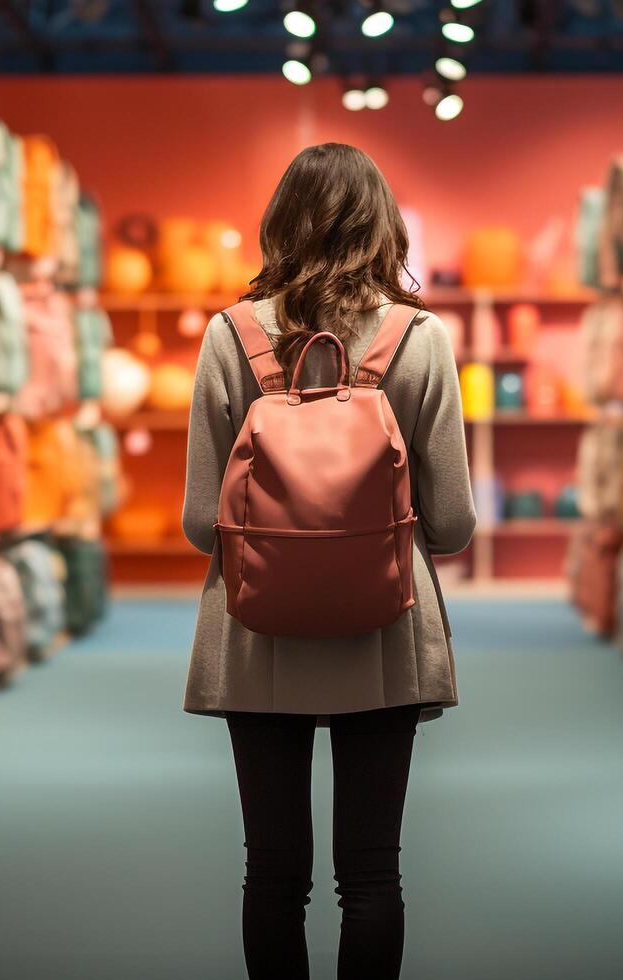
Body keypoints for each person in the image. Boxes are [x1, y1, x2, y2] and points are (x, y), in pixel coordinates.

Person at [180, 143, 476, 980]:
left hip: (254, 628)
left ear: (279, 224)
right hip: (384, 628)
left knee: (272, 873)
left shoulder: (230, 335)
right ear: (384, 226)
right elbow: (449, 526)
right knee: (371, 874)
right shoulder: (418, 337)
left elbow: (205, 524)